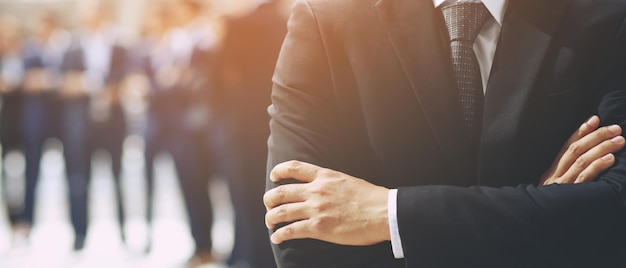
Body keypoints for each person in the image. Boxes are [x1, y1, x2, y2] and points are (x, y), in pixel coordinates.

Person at [263, 0, 626, 267]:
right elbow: (298, 239)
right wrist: (542, 209)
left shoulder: (607, 17)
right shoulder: (325, 20)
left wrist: (389, 214)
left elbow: (615, 212)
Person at [218, 0, 287, 266]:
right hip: (277, 121)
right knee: (274, 192)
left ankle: (248, 255)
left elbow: (223, 75)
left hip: (244, 123)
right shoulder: (285, 22)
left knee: (245, 195)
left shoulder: (238, 24)